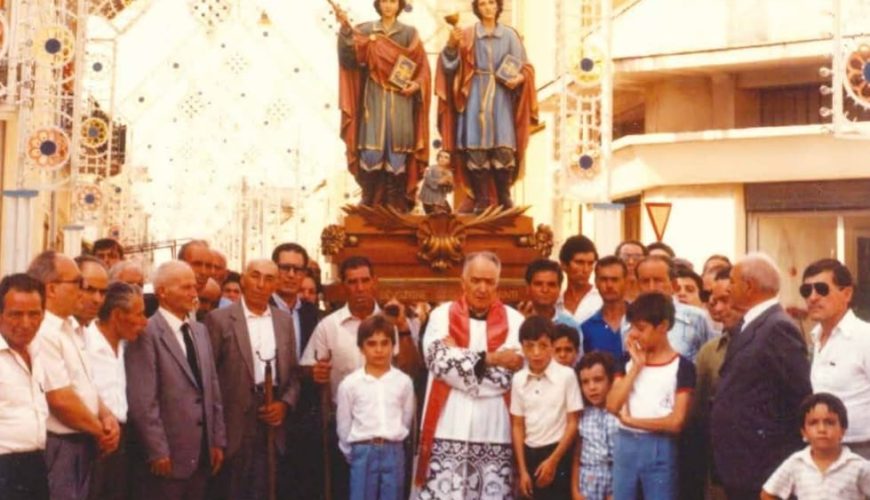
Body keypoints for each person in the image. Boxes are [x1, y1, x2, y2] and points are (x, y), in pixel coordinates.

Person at [301, 256, 417, 499]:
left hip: (386, 430)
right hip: (344, 425)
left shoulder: (391, 321)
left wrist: (402, 326)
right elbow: (307, 367)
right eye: (353, 282)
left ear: (375, 282)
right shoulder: (328, 326)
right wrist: (315, 372)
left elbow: (409, 369)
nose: (360, 288)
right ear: (344, 285)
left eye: (365, 280)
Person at [416, 251, 524, 498]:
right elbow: (438, 362)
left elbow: (506, 378)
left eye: (489, 282)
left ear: (498, 284)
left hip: (495, 426)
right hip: (447, 422)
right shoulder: (441, 316)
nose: (482, 288)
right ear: (462, 281)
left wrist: (459, 358)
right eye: (476, 280)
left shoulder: (515, 321)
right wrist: (493, 358)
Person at [711, 253, 812, 500]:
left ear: (749, 286)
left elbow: (798, 396)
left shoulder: (777, 327)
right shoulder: (752, 325)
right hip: (740, 461)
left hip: (762, 462)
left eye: (732, 282)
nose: (728, 288)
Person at [125, 261, 226, 500]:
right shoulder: (147, 333)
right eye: (185, 287)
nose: (194, 293)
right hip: (168, 455)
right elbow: (143, 400)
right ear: (162, 291)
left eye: (194, 287)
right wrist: (157, 450)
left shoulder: (199, 331)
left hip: (201, 453)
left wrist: (217, 440)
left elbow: (212, 388)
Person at [204, 258, 300, 500]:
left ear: (276, 284)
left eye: (269, 279)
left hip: (271, 417)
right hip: (233, 422)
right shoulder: (219, 319)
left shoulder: (284, 321)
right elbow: (209, 377)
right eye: (255, 276)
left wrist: (285, 404)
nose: (260, 284)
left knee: (266, 487)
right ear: (244, 279)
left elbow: (294, 374)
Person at [28, 251, 120, 500]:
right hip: (61, 445)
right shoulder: (43, 332)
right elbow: (59, 398)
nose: (84, 292)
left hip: (81, 440)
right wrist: (101, 431)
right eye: (78, 284)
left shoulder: (68, 328)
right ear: (51, 289)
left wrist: (106, 415)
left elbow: (85, 386)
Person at [436, 0, 538, 212]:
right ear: (477, 8)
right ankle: (481, 198)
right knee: (476, 147)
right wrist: (451, 47)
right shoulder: (466, 34)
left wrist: (519, 78)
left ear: (498, 6)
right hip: (474, 93)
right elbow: (449, 66)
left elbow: (525, 67)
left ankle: (504, 196)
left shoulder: (510, 35)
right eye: (482, 4)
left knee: (503, 146)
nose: (487, 8)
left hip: (501, 95)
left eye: (491, 3)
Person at [333, 0, 430, 211]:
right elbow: (349, 59)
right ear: (378, 4)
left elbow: (422, 67)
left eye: (393, 1)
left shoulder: (409, 34)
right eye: (384, 1)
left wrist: (416, 84)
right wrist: (345, 31)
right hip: (374, 95)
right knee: (371, 146)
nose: (388, 5)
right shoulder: (366, 30)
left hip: (401, 98)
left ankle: (395, 200)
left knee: (398, 146)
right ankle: (369, 196)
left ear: (400, 5)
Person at [605, 292, 695, 500]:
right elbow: (611, 404)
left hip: (660, 446)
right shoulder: (626, 360)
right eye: (633, 327)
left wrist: (632, 421)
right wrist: (636, 368)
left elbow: (676, 422)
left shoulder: (682, 366)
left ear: (662, 326)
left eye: (641, 328)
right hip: (625, 445)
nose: (634, 334)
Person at [271, 243, 328, 499]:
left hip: (304, 418)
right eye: (285, 268)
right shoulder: (260, 311)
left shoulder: (315, 315)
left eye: (298, 269)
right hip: (267, 416)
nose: (292, 275)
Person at [336, 315, 414, 500]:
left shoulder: (403, 382)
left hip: (393, 450)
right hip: (362, 451)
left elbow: (406, 418)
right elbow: (344, 425)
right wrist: (353, 453)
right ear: (361, 348)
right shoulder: (350, 384)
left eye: (384, 343)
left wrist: (394, 437)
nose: (379, 350)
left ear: (393, 346)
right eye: (371, 344)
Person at [801, 259, 870, 458]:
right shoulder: (815, 339)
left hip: (861, 450)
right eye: (806, 291)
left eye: (821, 289)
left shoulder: (864, 337)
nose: (812, 297)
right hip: (821, 450)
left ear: (846, 294)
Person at [86, 282, 148, 500]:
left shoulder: (125, 347)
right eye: (139, 314)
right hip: (93, 439)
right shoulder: (85, 343)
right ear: (118, 315)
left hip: (121, 440)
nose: (144, 322)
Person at [510, 316, 583, 500]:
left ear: (551, 345)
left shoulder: (566, 376)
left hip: (559, 453)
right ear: (522, 347)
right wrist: (523, 470)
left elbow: (573, 422)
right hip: (529, 454)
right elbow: (518, 425)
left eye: (543, 345)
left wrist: (553, 461)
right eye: (529, 346)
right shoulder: (518, 379)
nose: (536, 353)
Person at [690, 267, 744, 500]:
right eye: (714, 301)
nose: (720, 308)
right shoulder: (709, 353)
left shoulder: (769, 342)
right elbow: (699, 414)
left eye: (727, 299)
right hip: (719, 466)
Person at [761, 393, 870, 500]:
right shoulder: (796, 463)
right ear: (804, 432)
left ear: (842, 430)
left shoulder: (858, 466)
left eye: (829, 422)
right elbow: (768, 494)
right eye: (813, 423)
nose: (821, 429)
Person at [0, 274, 49, 500]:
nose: (26, 323)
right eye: (16, 314)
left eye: (34, 314)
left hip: (36, 466)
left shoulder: (37, 350)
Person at [634, 255, 717, 362]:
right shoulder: (628, 321)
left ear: (673, 285)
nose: (652, 287)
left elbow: (713, 362)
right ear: (637, 285)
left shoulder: (697, 318)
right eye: (645, 281)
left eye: (658, 280)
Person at [571, 351, 619, 500]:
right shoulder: (582, 415)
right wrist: (575, 491)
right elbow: (577, 457)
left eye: (598, 380)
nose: (591, 387)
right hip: (587, 482)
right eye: (585, 382)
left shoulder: (620, 414)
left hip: (615, 481)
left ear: (610, 380)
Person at [582, 256, 630, 369]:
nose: (609, 285)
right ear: (596, 282)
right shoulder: (586, 328)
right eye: (604, 279)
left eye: (615, 280)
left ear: (626, 282)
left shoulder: (641, 320)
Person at [518, 258, 582, 332]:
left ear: (559, 289)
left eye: (551, 285)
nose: (545, 290)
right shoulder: (515, 321)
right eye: (538, 284)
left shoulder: (570, 325)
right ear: (528, 288)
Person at [557, 236, 603, 325]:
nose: (586, 269)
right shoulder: (556, 301)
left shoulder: (601, 299)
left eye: (590, 263)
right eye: (579, 262)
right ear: (564, 265)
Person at [419, 150, 454, 214]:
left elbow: (449, 190)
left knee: (448, 212)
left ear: (449, 161)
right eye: (441, 156)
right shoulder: (430, 169)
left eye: (446, 157)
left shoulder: (449, 173)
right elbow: (428, 180)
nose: (443, 159)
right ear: (437, 158)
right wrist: (440, 181)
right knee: (436, 214)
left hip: (440, 198)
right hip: (429, 199)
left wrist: (449, 184)